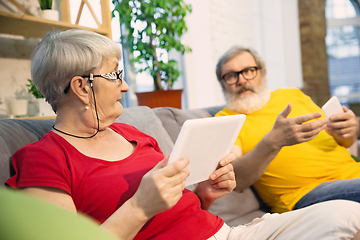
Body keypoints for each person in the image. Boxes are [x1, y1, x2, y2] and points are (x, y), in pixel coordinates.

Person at [5, 29, 360, 240]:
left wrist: (204, 193)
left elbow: (184, 208)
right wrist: (140, 206)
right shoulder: (44, 160)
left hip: (230, 233)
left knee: (348, 215)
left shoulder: (132, 135)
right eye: (115, 76)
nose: (126, 86)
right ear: (82, 87)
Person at [215, 45, 360, 214]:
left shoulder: (293, 95)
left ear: (262, 72)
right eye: (231, 76)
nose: (241, 80)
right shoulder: (227, 120)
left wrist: (349, 130)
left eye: (248, 71)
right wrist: (273, 142)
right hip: (304, 193)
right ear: (223, 84)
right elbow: (236, 178)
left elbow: (343, 141)